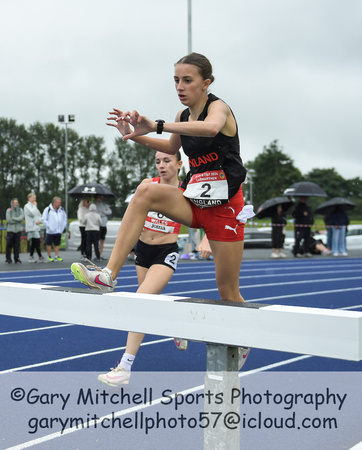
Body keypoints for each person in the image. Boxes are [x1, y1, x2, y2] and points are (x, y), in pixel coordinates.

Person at [71, 52, 252, 375]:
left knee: (227, 290)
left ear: (206, 83)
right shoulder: (182, 114)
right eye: (176, 81)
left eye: (187, 80)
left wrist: (155, 123)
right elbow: (170, 148)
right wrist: (133, 134)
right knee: (145, 191)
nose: (180, 87)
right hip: (195, 200)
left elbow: (210, 130)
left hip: (225, 209)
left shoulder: (218, 108)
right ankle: (109, 275)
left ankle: (243, 339)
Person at [98, 151, 190, 386]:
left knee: (140, 302)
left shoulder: (186, 191)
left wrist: (207, 240)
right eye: (158, 161)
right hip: (142, 252)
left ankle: (124, 367)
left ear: (179, 164)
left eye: (167, 161)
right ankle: (176, 324)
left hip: (165, 252)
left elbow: (207, 216)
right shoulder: (147, 186)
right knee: (148, 304)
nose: (161, 165)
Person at [42, 196, 67, 262]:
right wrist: (49, 226)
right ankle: (49, 256)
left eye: (60, 203)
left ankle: (56, 256)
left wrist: (62, 227)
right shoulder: (48, 209)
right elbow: (43, 219)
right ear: (54, 203)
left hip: (58, 230)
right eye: (58, 202)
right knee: (49, 243)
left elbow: (64, 219)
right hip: (50, 231)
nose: (59, 204)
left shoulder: (61, 209)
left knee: (57, 244)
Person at [24, 192, 44, 263]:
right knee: (37, 241)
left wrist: (40, 220)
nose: (35, 199)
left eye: (35, 198)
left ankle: (31, 256)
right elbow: (32, 213)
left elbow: (39, 214)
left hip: (36, 227)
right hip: (31, 227)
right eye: (33, 198)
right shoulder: (27, 206)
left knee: (35, 242)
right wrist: (35, 206)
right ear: (29, 198)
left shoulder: (34, 206)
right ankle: (40, 256)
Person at [5, 198, 24, 264]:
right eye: (14, 202)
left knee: (17, 245)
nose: (15, 204)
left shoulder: (20, 210)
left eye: (16, 202)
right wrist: (17, 219)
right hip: (11, 230)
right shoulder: (8, 210)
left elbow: (21, 218)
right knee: (9, 245)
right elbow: (9, 220)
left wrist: (14, 218)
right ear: (12, 203)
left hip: (18, 230)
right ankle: (8, 258)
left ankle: (16, 258)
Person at [95, 195, 112, 260]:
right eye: (99, 197)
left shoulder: (105, 205)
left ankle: (101, 253)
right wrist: (104, 212)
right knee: (97, 240)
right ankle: (96, 254)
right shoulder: (95, 205)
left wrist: (103, 212)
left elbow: (109, 212)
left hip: (104, 224)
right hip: (98, 224)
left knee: (102, 240)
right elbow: (96, 213)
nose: (100, 199)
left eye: (101, 198)